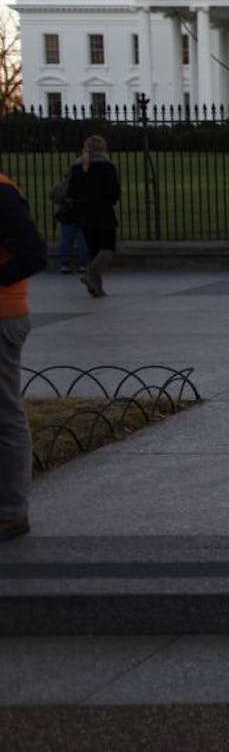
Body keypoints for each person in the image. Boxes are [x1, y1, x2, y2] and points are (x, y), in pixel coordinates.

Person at [0, 171, 48, 542]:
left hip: (2, 316)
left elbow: (32, 254)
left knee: (5, 414)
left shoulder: (2, 193)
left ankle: (11, 511)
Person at [67, 135, 120, 298]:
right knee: (108, 249)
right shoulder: (107, 166)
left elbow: (71, 191)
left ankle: (97, 287)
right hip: (102, 211)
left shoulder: (77, 165)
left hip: (82, 213)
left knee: (94, 250)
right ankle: (90, 275)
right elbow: (112, 192)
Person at [49, 165, 88, 275]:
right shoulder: (84, 185)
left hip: (66, 216)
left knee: (66, 240)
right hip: (81, 215)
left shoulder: (61, 186)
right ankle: (82, 265)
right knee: (83, 240)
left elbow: (52, 196)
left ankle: (64, 264)